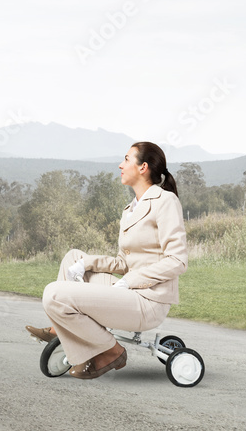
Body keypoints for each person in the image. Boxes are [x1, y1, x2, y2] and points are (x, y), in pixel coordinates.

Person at [26, 141, 188, 380]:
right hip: (129, 292)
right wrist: (87, 263)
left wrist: (131, 280)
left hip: (148, 301)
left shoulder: (165, 201)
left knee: (53, 294)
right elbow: (124, 262)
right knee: (73, 256)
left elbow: (177, 261)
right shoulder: (130, 209)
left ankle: (112, 351)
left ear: (143, 167)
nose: (120, 165)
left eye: (126, 159)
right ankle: (59, 328)